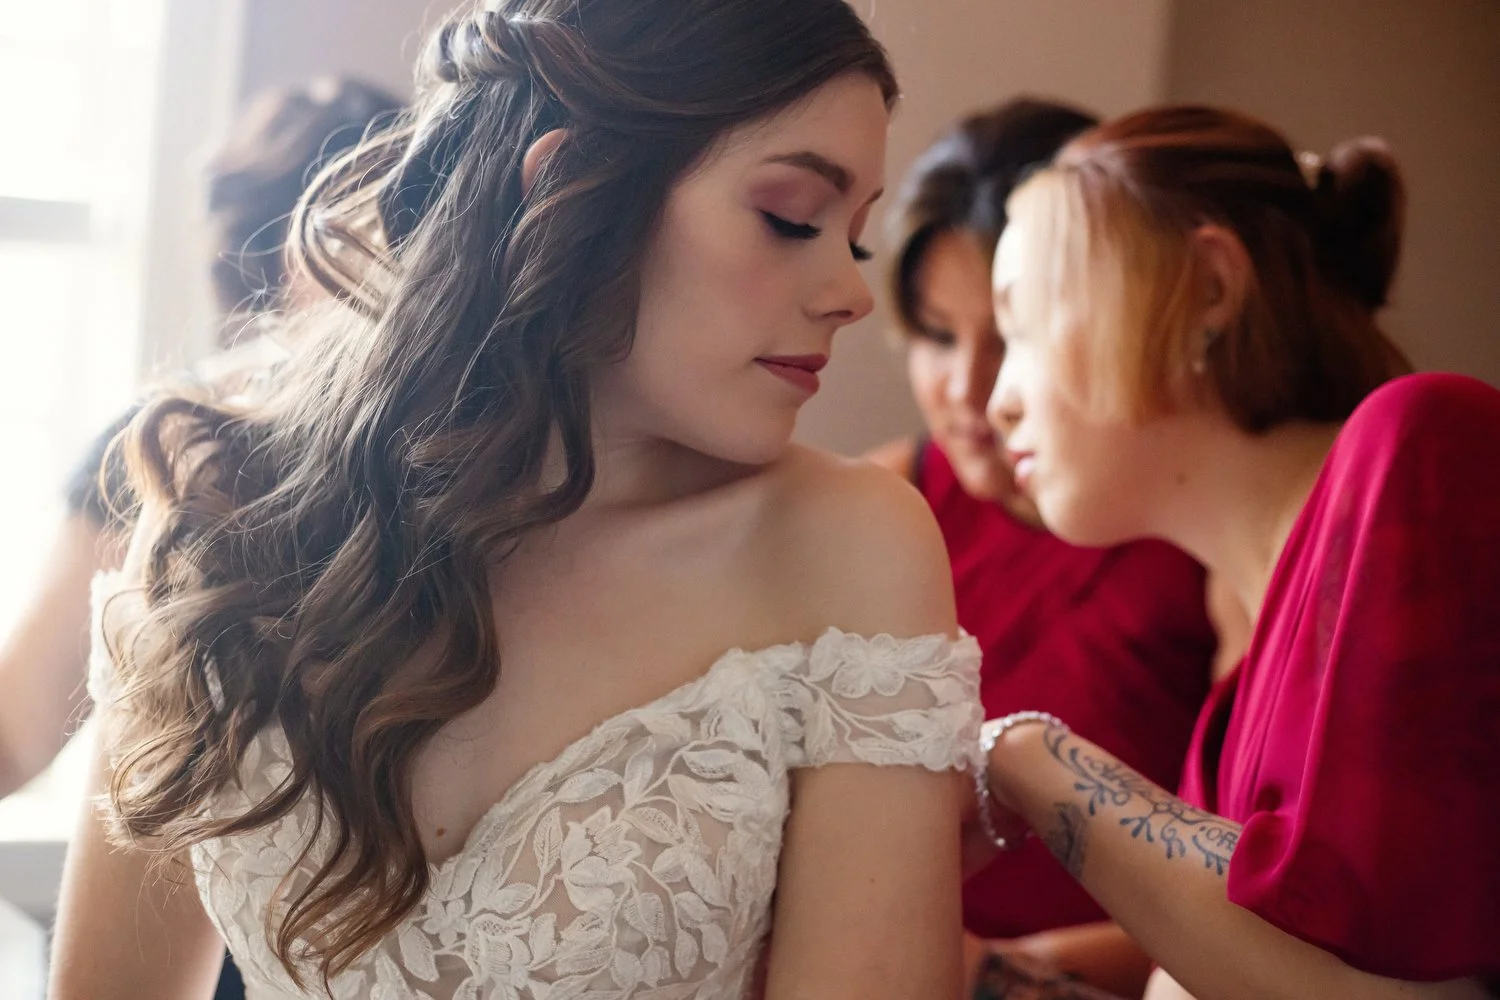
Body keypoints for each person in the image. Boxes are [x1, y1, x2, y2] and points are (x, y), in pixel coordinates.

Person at [50, 2, 984, 998]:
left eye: (855, 238)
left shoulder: (845, 547)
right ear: (566, 190)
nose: (851, 293)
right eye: (792, 217)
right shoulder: (231, 508)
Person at [977, 104, 1500, 998]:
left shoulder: (1422, 442)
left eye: (1025, 326)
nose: (997, 403)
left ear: (1210, 288)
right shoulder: (1229, 711)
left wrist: (1025, 758)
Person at [870, 98, 1220, 998]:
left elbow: (1261, 899)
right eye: (937, 336)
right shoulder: (871, 508)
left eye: (1011, 333)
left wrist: (996, 973)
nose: (967, 387)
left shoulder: (1199, 539)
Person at [0, 77, 402, 805]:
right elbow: (16, 734)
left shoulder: (480, 451)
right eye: (356, 235)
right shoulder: (170, 442)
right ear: (283, 257)